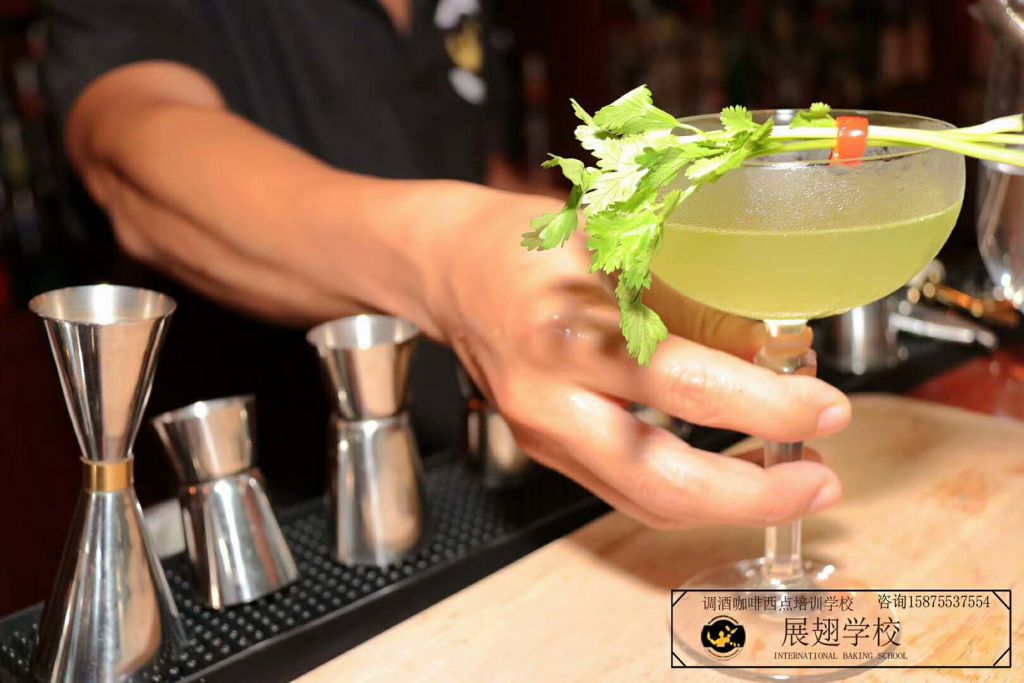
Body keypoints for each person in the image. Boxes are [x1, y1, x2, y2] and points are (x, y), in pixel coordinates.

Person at [41, 0, 851, 529]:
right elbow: (133, 150)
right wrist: (449, 259)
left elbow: (470, 167)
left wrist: (608, 243)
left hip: (465, 483)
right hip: (256, 511)